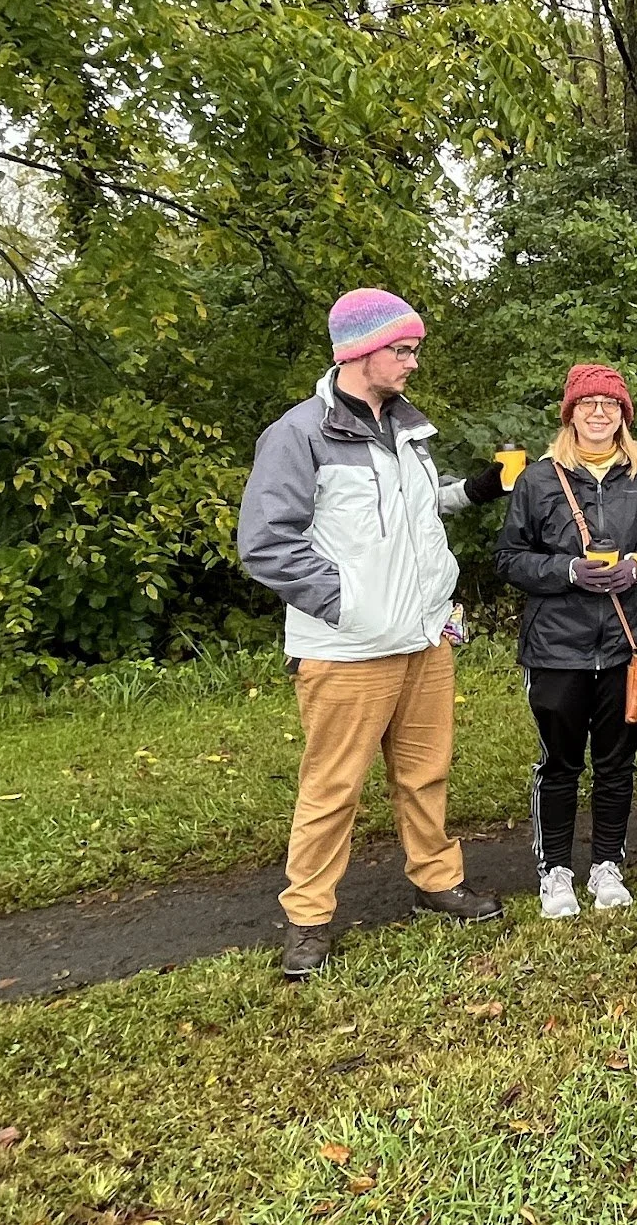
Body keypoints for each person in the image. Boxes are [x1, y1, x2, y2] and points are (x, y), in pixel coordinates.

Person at [238, 288, 508, 980]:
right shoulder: (300, 434)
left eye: (413, 350)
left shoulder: (407, 430)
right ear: (360, 351)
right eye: (404, 350)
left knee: (425, 773)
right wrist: (349, 605)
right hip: (348, 648)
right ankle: (308, 919)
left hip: (425, 638)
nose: (414, 362)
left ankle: (436, 881)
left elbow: (415, 512)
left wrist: (474, 490)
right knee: (332, 788)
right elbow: (267, 543)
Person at [496, 365, 637, 917]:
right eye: (587, 403)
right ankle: (554, 871)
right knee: (559, 763)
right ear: (570, 414)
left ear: (624, 415)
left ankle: (607, 866)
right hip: (557, 646)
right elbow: (509, 558)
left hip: (628, 642)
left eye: (610, 404)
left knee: (617, 762)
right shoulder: (538, 480)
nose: (599, 413)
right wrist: (568, 571)